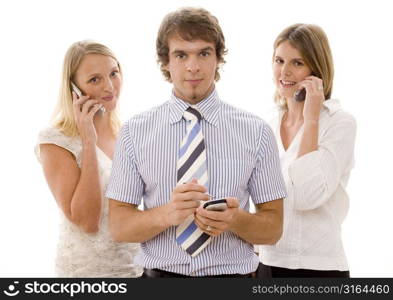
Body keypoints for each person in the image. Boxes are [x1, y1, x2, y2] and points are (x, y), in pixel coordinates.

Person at [106, 7, 287, 278]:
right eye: (181, 55)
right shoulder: (134, 132)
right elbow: (119, 227)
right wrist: (167, 214)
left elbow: (273, 229)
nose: (193, 66)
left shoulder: (257, 132)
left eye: (204, 53)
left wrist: (236, 219)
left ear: (218, 59)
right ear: (165, 62)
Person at [35, 40, 142, 277]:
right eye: (95, 79)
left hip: (137, 268)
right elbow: (87, 221)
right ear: (74, 88)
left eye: (113, 73)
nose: (109, 87)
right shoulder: (55, 141)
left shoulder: (129, 134)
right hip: (88, 273)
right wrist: (88, 141)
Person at [257, 24, 356, 278]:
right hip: (267, 262)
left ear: (316, 70)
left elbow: (306, 195)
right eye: (279, 61)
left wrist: (311, 120)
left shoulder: (339, 123)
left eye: (297, 63)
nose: (285, 71)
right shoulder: (265, 125)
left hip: (320, 268)